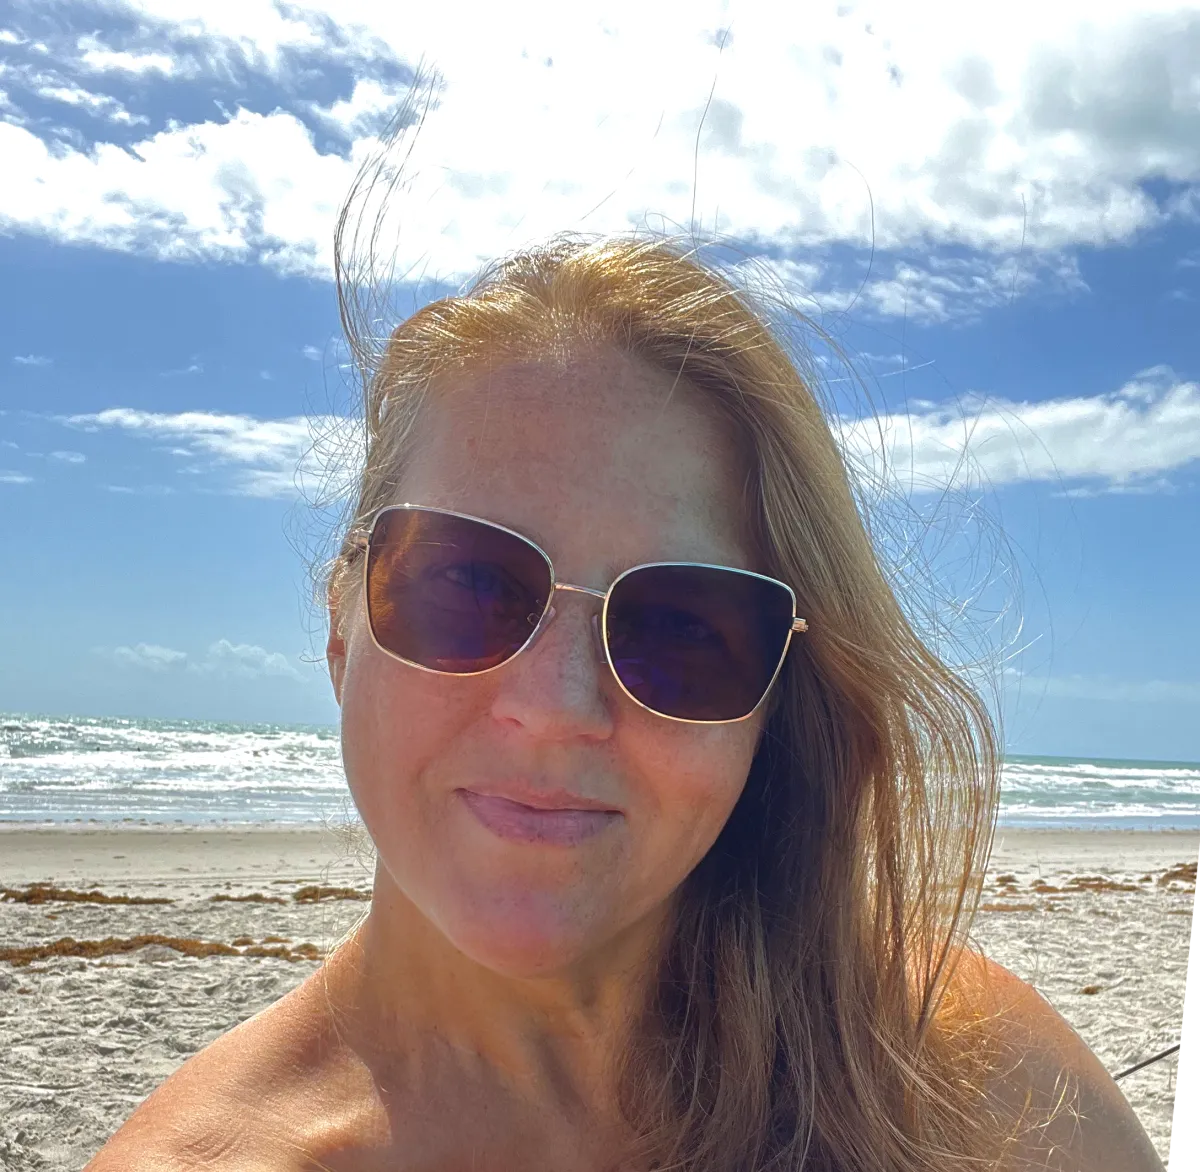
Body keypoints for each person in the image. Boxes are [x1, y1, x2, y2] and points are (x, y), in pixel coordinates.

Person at [87, 226, 1163, 1171]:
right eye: (467, 582)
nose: (556, 704)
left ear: (777, 698)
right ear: (340, 626)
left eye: (681, 626)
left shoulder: (961, 1074)